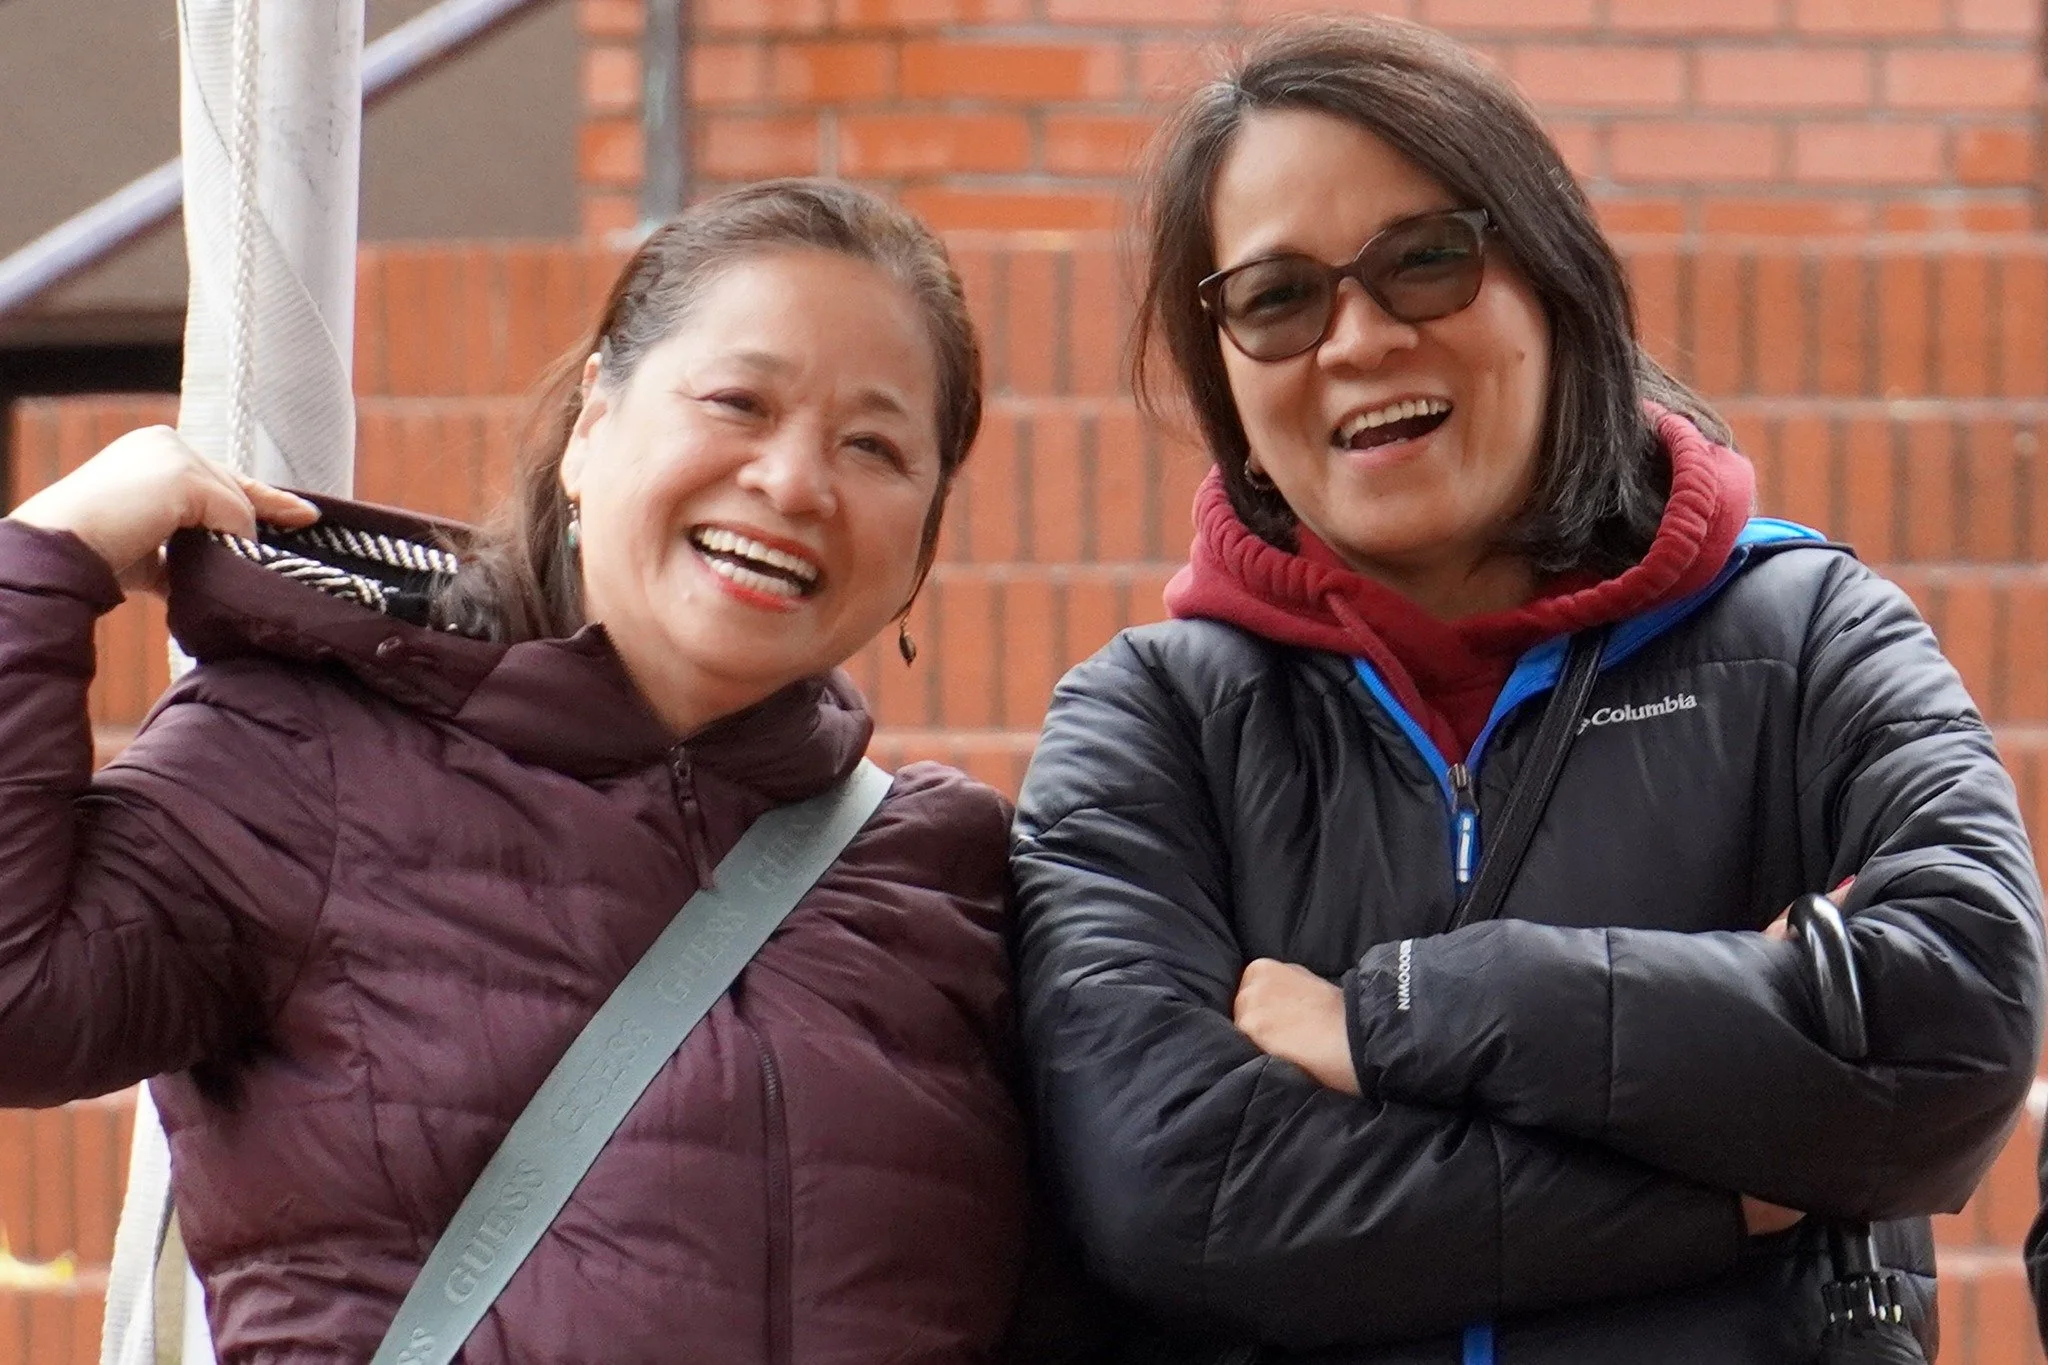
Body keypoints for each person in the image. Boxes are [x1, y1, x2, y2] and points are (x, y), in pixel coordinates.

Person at [1010, 17, 2045, 1364]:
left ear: (1552, 282)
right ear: (1228, 378)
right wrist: (1738, 1185)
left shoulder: (1809, 638)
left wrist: (1402, 1017)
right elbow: (1184, 1196)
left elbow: (1958, 1026)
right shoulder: (1148, 726)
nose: (1360, 338)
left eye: (1426, 259)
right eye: (1277, 298)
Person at [0, 178, 1030, 1363]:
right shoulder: (304, 758)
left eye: (874, 446)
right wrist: (45, 562)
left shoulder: (950, 878)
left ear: (923, 538)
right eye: (739, 402)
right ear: (594, 424)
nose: (796, 483)